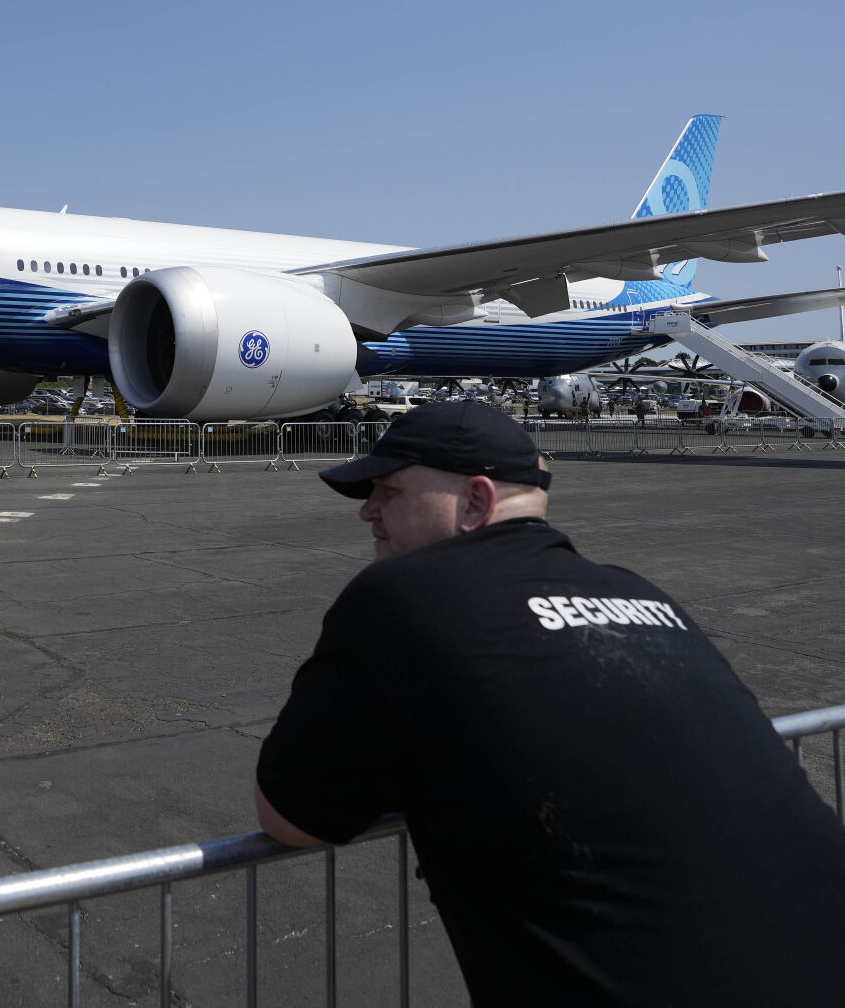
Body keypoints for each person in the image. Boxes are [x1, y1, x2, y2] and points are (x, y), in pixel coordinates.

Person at [254, 401, 845, 1005]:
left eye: (389, 490)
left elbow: (291, 816)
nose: (368, 512)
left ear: (477, 502)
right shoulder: (638, 591)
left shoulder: (402, 594)